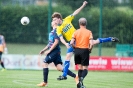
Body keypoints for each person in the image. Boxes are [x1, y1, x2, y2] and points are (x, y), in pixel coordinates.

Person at [52, 1, 119, 80]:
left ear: (59, 18)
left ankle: (110, 38)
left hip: (79, 37)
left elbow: (75, 12)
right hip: (72, 42)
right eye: (54, 20)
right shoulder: (58, 29)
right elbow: (61, 38)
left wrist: (83, 5)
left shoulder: (67, 19)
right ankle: (64, 75)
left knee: (94, 42)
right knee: (67, 57)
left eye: (55, 19)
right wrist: (66, 44)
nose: (55, 21)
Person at [37, 21, 79, 87]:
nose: (52, 21)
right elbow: (50, 43)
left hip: (54, 51)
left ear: (54, 23)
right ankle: (75, 76)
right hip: (55, 51)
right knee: (59, 68)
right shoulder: (52, 32)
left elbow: (56, 42)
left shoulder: (56, 31)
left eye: (53, 20)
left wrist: (49, 51)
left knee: (45, 63)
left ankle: (45, 82)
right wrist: (44, 50)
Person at [70, 17, 93, 88]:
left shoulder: (76, 32)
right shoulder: (89, 32)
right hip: (85, 50)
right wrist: (90, 49)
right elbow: (91, 43)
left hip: (77, 51)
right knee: (85, 69)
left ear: (79, 24)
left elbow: (71, 42)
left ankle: (80, 85)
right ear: (86, 24)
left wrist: (74, 47)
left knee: (80, 68)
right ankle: (81, 78)